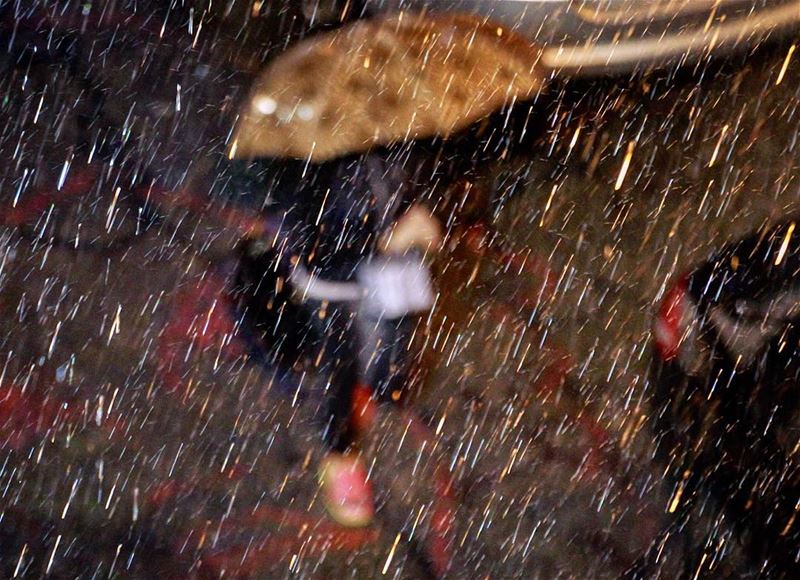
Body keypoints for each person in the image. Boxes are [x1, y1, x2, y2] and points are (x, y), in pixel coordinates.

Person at [232, 147, 442, 527]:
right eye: (358, 492)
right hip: (354, 208)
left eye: (347, 493)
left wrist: (390, 241)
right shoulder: (383, 384)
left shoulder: (316, 377)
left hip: (337, 223)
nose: (357, 483)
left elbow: (312, 263)